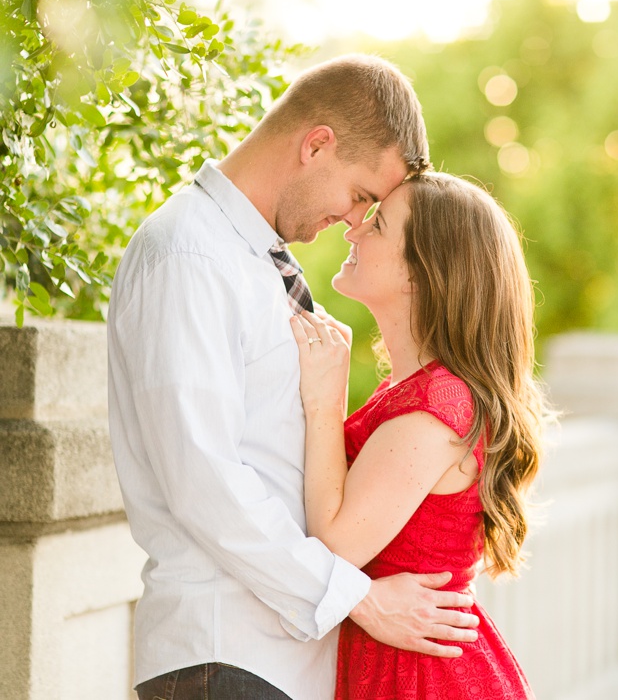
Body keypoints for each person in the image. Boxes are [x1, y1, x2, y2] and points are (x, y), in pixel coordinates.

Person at [107, 54, 479, 700]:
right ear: (316, 146)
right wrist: (357, 599)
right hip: (224, 654)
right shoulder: (190, 254)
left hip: (277, 662)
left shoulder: (258, 263)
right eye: (362, 196)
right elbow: (203, 480)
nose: (355, 220)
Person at [289, 171, 546, 698]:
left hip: (421, 679)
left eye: (378, 224)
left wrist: (323, 402)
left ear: (420, 274)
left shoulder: (437, 405)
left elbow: (335, 545)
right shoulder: (415, 390)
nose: (353, 229)